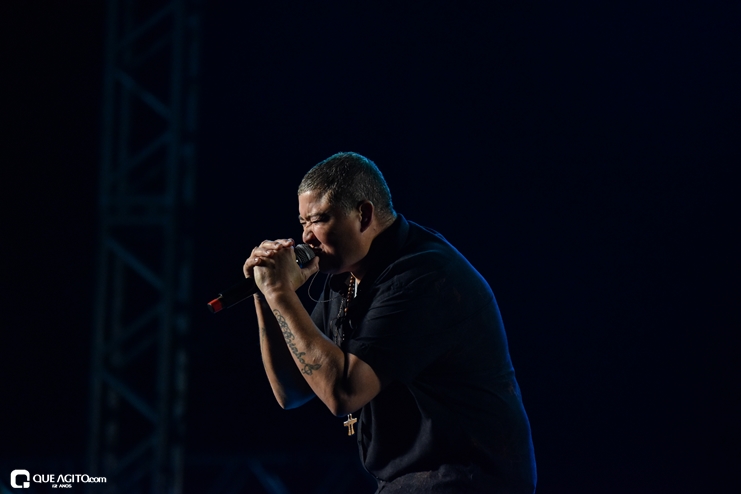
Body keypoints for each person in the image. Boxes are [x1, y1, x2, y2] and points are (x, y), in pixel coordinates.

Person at [244, 152, 536, 493]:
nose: (306, 237)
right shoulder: (347, 276)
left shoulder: (421, 277)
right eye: (302, 223)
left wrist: (281, 293)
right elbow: (291, 391)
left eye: (319, 219)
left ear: (364, 215)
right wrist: (264, 296)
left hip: (467, 478)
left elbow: (343, 393)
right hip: (413, 480)